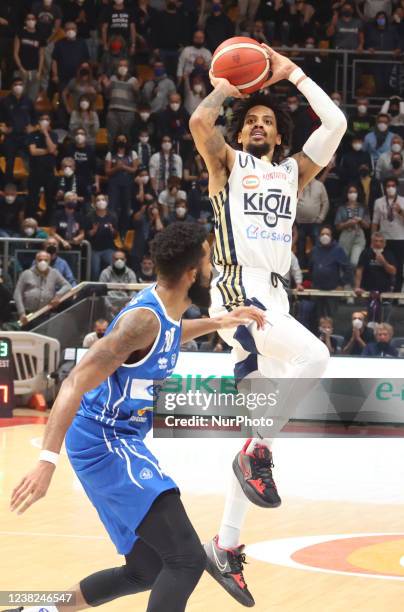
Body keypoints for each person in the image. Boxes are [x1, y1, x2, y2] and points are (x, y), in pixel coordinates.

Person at [9, 222, 265, 612]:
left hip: (112, 440)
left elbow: (172, 332)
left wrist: (219, 321)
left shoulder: (165, 314)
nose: (213, 270)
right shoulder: (141, 321)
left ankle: (38, 608)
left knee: (145, 569)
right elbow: (74, 382)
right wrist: (46, 461)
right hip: (105, 440)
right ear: (192, 274)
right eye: (209, 261)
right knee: (187, 559)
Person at [189, 44, 346, 605]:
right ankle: (257, 451)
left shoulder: (293, 174)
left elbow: (336, 122)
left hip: (275, 295)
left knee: (255, 428)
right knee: (317, 358)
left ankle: (226, 545)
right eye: (251, 121)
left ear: (279, 137)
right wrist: (232, 87)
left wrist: (293, 73)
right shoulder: (226, 164)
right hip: (238, 287)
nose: (258, 126)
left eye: (267, 122)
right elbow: (201, 120)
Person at [14, 250, 72, 325]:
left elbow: (67, 285)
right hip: (28, 316)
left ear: (49, 261)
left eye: (45, 260)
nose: (43, 262)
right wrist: (21, 313)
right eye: (40, 260)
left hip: (45, 314)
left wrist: (58, 296)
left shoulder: (54, 272)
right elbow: (17, 293)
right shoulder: (26, 273)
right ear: (35, 261)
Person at [371, 177, 404, 292]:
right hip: (384, 239)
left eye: (393, 186)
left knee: (399, 267)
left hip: (399, 238)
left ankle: (397, 291)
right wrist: (373, 238)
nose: (390, 188)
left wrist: (400, 211)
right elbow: (375, 222)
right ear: (385, 188)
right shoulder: (379, 202)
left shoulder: (402, 201)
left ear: (396, 187)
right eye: (388, 186)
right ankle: (384, 291)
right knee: (383, 265)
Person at [26, 113, 58, 222]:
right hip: (35, 172)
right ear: (38, 122)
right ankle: (30, 222)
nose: (45, 121)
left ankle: (48, 223)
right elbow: (33, 151)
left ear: (50, 122)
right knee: (33, 200)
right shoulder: (32, 135)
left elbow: (53, 148)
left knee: (50, 199)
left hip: (49, 172)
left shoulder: (53, 135)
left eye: (47, 119)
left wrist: (45, 134)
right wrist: (47, 151)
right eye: (42, 119)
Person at [295, 177, 329, 266]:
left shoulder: (319, 185)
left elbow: (325, 202)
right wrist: (294, 219)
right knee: (300, 247)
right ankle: (301, 267)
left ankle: (317, 266)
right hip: (300, 222)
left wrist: (321, 218)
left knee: (317, 246)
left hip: (315, 223)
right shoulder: (297, 185)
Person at [335, 183, 370, 267]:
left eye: (354, 192)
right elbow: (337, 226)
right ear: (347, 194)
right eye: (350, 192)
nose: (352, 194)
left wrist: (360, 220)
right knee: (344, 261)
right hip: (345, 235)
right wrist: (347, 224)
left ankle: (353, 279)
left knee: (354, 261)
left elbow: (368, 225)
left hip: (359, 236)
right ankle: (345, 279)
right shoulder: (341, 208)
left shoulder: (363, 207)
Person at [13, 13, 45, 101]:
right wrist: (21, 68)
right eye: (28, 19)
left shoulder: (40, 35)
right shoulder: (20, 33)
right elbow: (15, 53)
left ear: (36, 21)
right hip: (20, 70)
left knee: (32, 98)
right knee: (18, 97)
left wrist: (39, 71)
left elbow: (41, 55)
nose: (31, 21)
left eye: (33, 19)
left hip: (34, 71)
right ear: (25, 21)